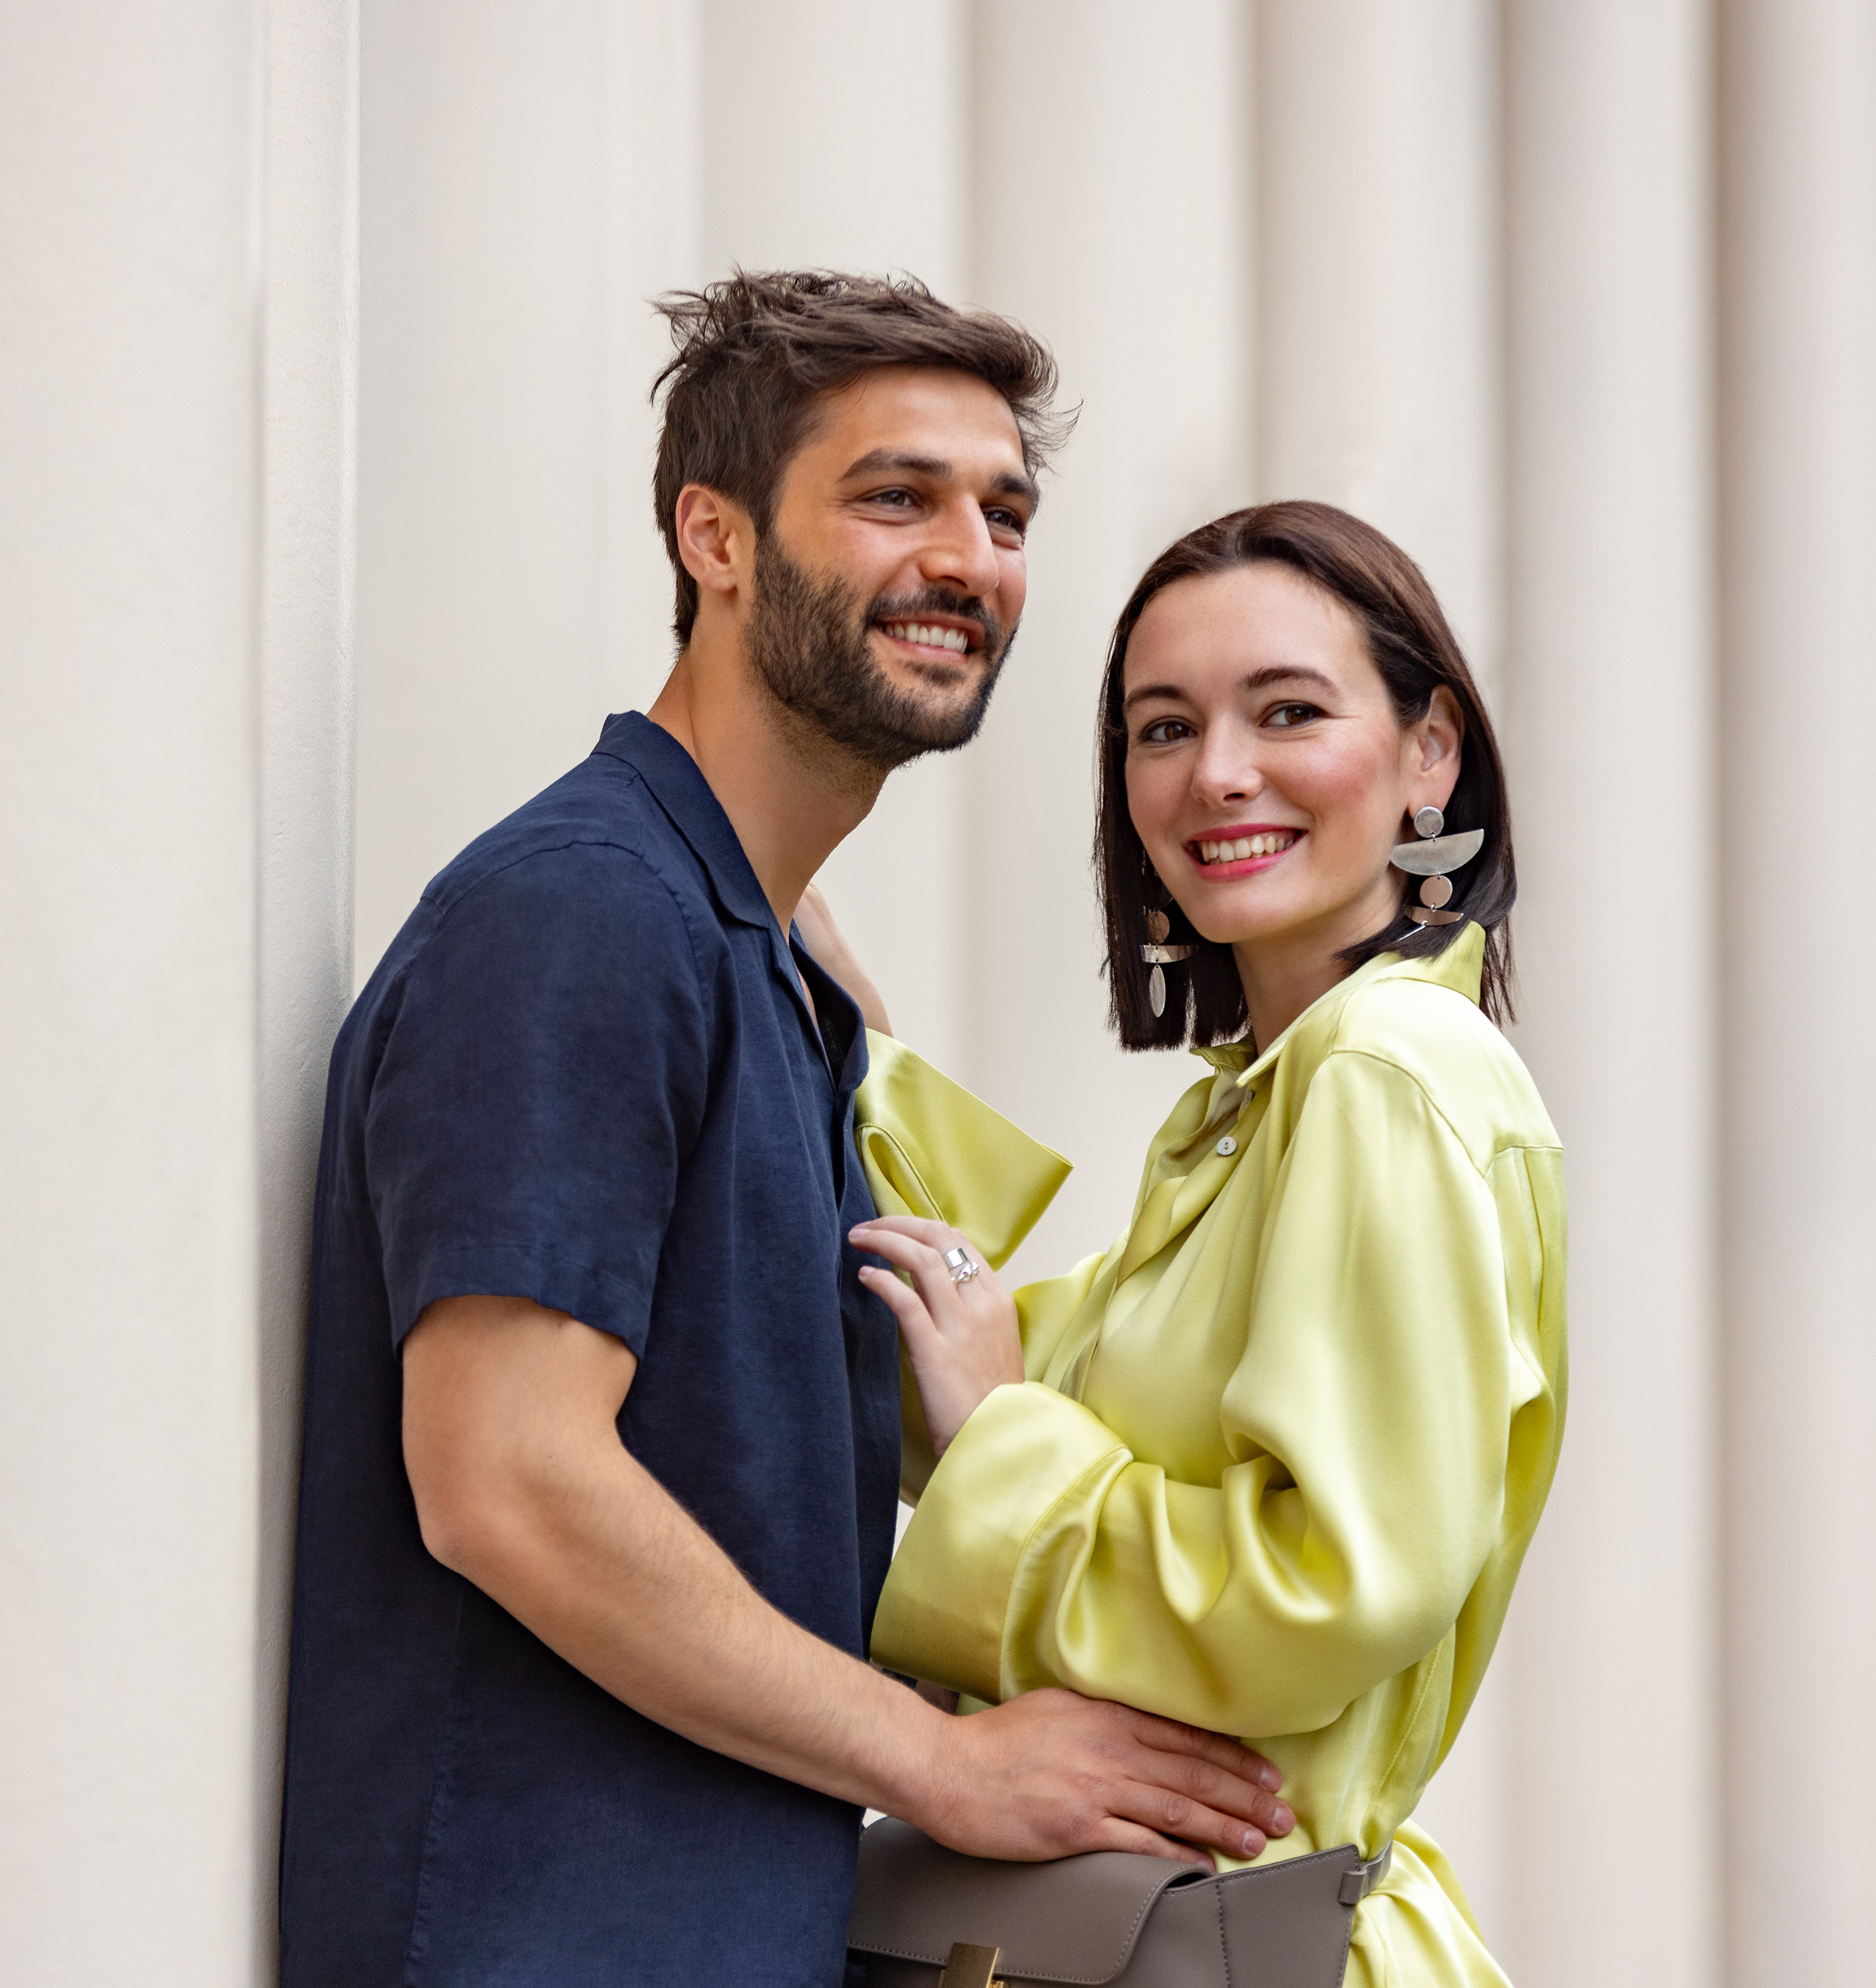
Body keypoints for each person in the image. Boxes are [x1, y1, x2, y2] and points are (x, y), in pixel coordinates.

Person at [275, 272, 1296, 1988]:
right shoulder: (587, 918)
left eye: (1005, 512)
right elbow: (507, 1479)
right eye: (895, 496)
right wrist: (949, 1765)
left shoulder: (731, 940)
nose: (967, 558)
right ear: (716, 537)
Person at [825, 501, 1565, 1986]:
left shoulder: (1378, 1075)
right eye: (1161, 729)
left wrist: (1003, 1438)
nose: (1216, 772)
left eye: (1286, 711)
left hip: (1234, 1936)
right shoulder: (1267, 1108)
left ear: (1432, 755)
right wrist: (850, 1054)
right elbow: (975, 1374)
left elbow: (1338, 1575)